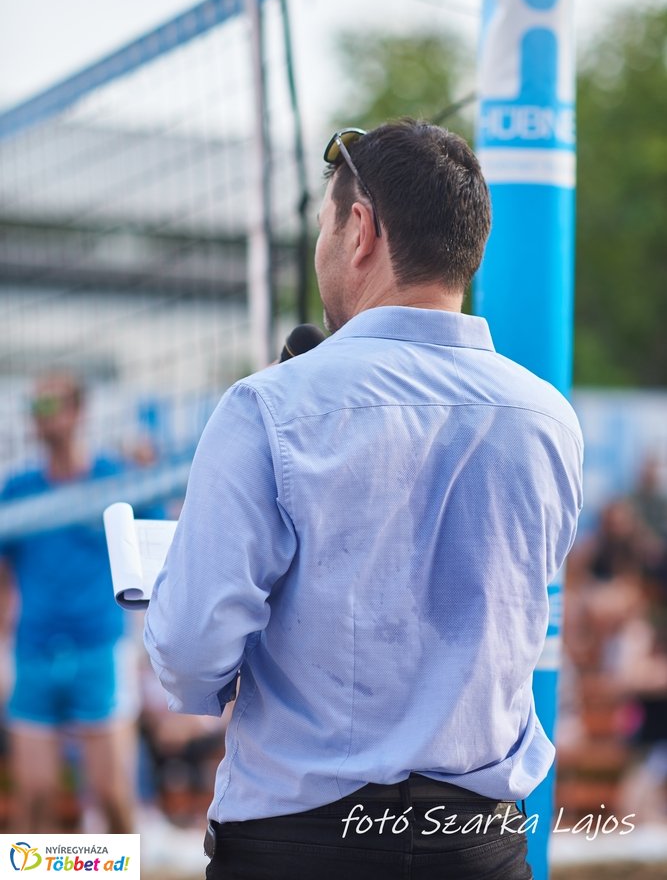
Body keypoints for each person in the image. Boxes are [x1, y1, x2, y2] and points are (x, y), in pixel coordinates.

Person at [144, 119, 583, 879]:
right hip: (478, 845)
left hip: (303, 843)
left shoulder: (269, 407)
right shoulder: (549, 419)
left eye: (323, 225)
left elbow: (188, 658)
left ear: (360, 229)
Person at [0, 372, 138, 833]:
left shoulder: (115, 479)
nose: (39, 417)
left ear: (77, 412)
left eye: (49, 406)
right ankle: (51, 867)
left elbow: (157, 552)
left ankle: (117, 866)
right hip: (34, 651)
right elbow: (3, 577)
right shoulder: (18, 490)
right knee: (35, 800)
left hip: (99, 649)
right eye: (34, 408)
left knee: (112, 797)